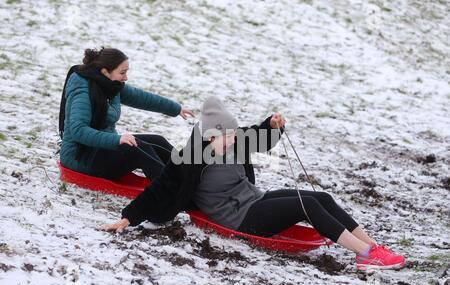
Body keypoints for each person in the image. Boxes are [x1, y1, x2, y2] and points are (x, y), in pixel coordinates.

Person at [103, 96, 405, 271]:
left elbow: (259, 135)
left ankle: (372, 246)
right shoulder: (187, 160)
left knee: (320, 196)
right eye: (229, 137)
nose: (235, 140)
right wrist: (127, 218)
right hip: (239, 217)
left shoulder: (232, 139)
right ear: (209, 136)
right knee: (307, 205)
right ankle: (364, 257)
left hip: (255, 199)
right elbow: (158, 191)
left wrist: (271, 124)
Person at [59, 47, 194, 180]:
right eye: (122, 73)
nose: (126, 77)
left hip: (102, 148)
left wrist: (175, 108)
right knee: (137, 150)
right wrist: (117, 139)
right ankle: (170, 189)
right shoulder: (83, 91)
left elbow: (141, 97)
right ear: (105, 72)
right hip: (80, 157)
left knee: (157, 141)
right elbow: (79, 131)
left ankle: (190, 174)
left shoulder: (111, 86)